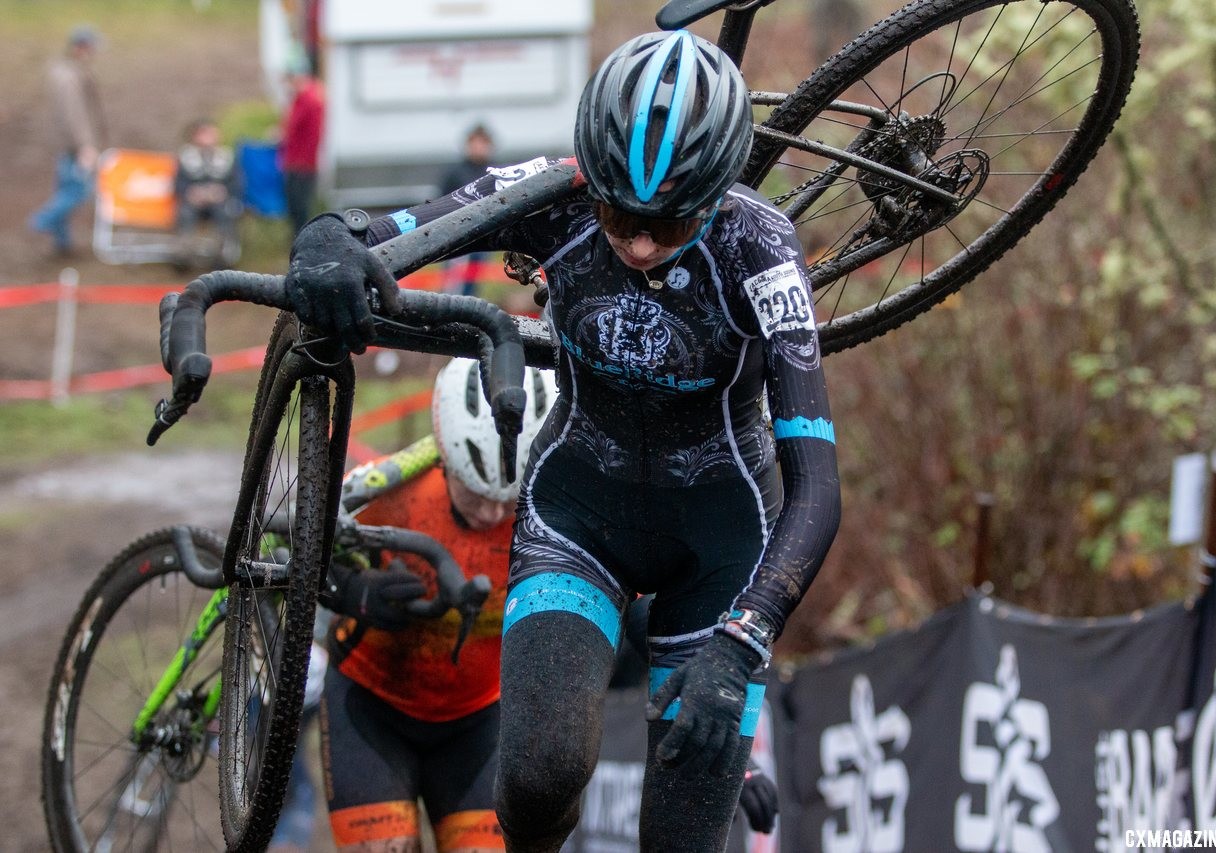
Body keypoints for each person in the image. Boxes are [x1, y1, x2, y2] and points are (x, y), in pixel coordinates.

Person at [284, 29, 841, 852]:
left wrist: (744, 639)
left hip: (721, 545)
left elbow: (818, 486)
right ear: (590, 175)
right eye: (620, 211)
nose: (641, 242)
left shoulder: (761, 248)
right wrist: (327, 237)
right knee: (539, 775)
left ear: (721, 193)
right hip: (580, 514)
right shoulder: (548, 191)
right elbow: (391, 229)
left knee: (685, 836)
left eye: (672, 220)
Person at [317, 358, 557, 852]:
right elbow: (282, 556)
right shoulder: (387, 490)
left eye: (508, 500)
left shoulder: (553, 517)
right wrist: (352, 589)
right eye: (476, 492)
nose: (492, 512)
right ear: (445, 456)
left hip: (479, 723)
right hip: (370, 709)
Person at [28, 25, 107, 257]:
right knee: (78, 190)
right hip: (73, 146)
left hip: (66, 145)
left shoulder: (66, 72)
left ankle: (62, 243)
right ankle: (41, 221)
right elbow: (75, 114)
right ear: (81, 47)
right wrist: (85, 145)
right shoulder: (69, 76)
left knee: (65, 188)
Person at [173, 118, 241, 265]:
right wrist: (192, 193)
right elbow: (178, 185)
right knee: (185, 213)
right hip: (193, 203)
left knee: (226, 213)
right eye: (203, 134)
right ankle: (183, 254)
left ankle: (223, 255)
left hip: (219, 202)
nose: (207, 138)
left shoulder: (226, 157)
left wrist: (222, 192)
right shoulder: (186, 157)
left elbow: (236, 184)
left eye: (210, 134)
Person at [439, 125, 496, 297]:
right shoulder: (455, 173)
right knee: (454, 284)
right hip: (458, 236)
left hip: (483, 236)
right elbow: (440, 203)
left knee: (474, 283)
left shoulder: (493, 172)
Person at [279, 62, 325, 238]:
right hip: (301, 161)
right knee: (298, 208)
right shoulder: (312, 96)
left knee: (299, 208)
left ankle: (300, 242)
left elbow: (291, 127)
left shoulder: (307, 99)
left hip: (301, 162)